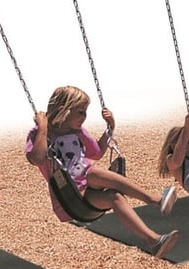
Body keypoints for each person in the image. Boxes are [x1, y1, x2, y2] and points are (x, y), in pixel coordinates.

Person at [25, 85, 179, 258]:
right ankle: (156, 199)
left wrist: (110, 127)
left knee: (115, 197)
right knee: (93, 171)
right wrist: (43, 127)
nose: (84, 117)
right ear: (64, 110)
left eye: (85, 112)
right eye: (80, 112)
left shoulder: (79, 132)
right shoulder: (38, 134)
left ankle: (155, 241)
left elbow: (96, 153)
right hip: (68, 195)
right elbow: (37, 158)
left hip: (86, 190)